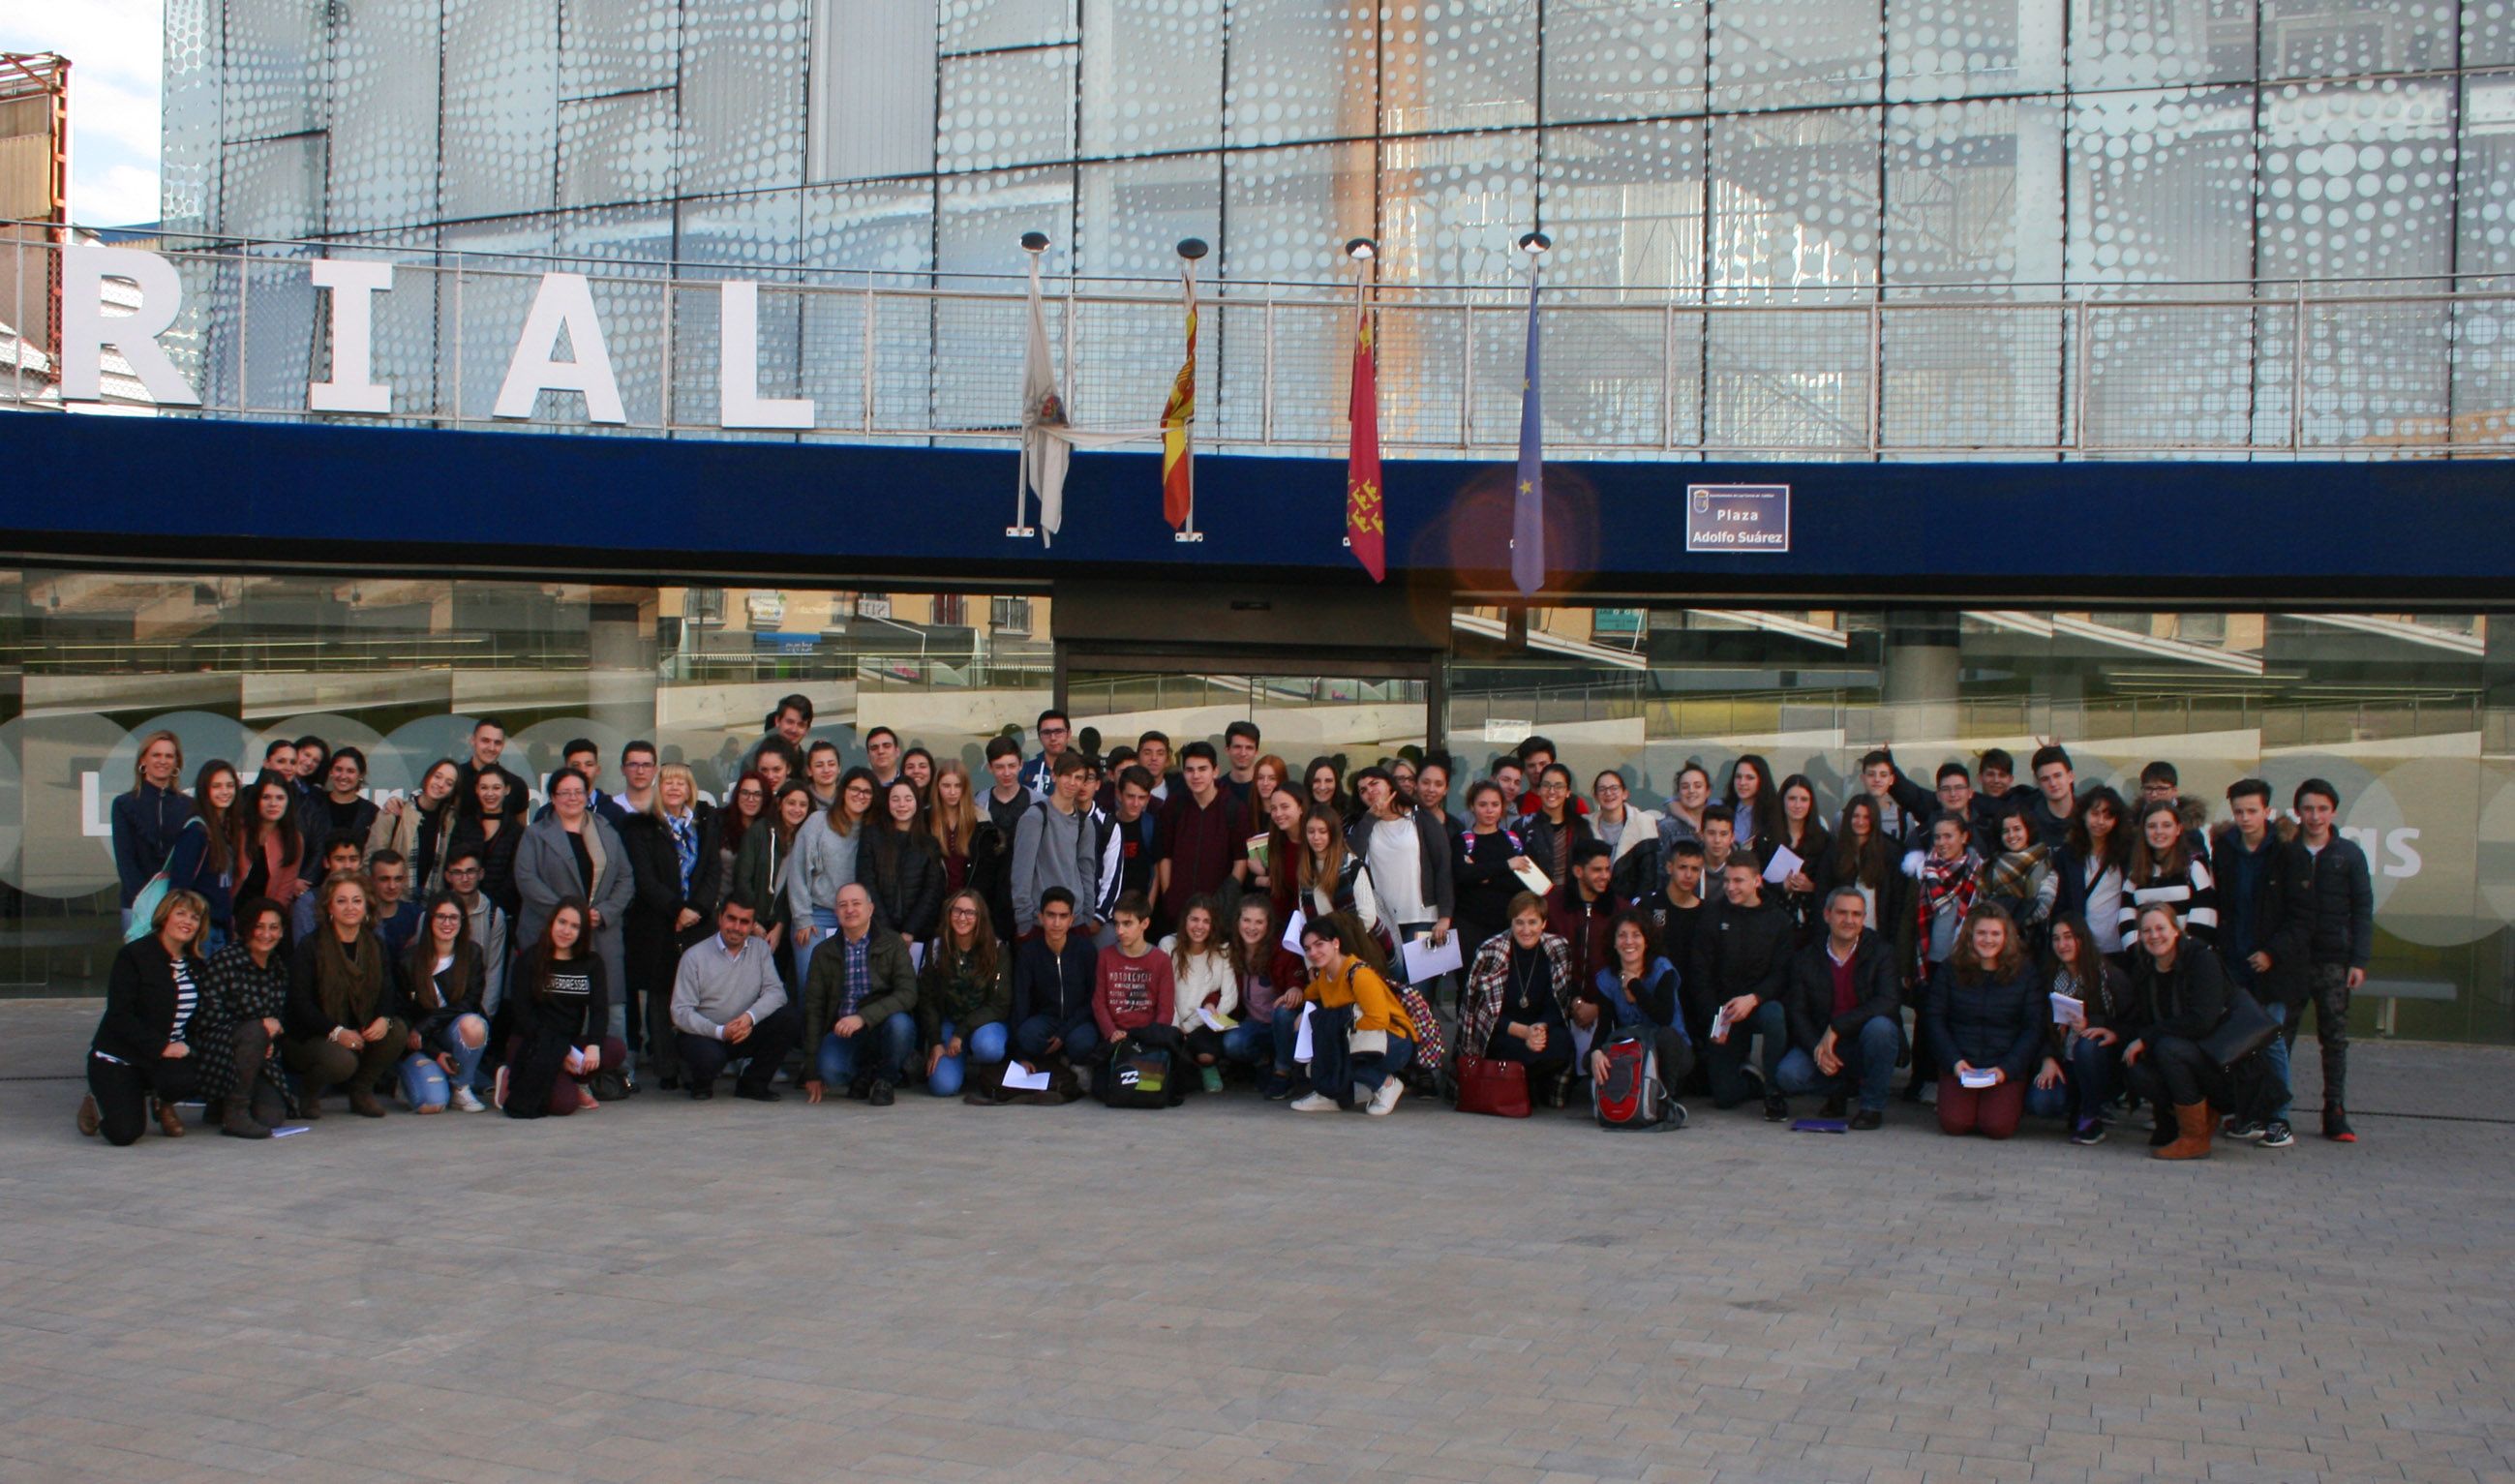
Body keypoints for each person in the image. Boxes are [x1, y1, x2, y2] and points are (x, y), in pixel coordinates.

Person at [2121, 903, 2265, 1160]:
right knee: (2135, 1066)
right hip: (2184, 1058)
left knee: (2168, 1048)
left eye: (2160, 928)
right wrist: (2117, 1034)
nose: (2154, 936)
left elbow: (2202, 1021)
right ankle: (2173, 1121)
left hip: (2221, 1061)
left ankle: (2195, 1137)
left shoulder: (2201, 959)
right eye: (2146, 931)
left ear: (2176, 930)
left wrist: (2147, 1038)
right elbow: (2138, 1019)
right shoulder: (2144, 969)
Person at [77, 890, 219, 1145]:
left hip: (161, 1060)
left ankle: (162, 1101)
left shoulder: (196, 965)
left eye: (195, 917)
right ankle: (97, 1101)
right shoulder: (134, 956)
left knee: (188, 1077)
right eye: (181, 914)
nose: (188, 921)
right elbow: (119, 1016)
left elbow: (201, 1018)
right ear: (165, 916)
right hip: (120, 1057)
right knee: (124, 1134)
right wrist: (163, 1046)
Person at [514, 770, 636, 1059]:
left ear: (587, 795)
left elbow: (625, 879)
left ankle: (612, 1073)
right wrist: (570, 917)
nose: (572, 798)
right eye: (564, 792)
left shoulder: (606, 830)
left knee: (611, 1004)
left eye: (578, 792)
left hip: (601, 931)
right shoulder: (536, 834)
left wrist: (604, 912)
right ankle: (558, 1063)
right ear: (553, 798)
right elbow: (526, 879)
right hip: (552, 933)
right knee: (558, 1002)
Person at [621, 762, 720, 1090]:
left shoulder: (704, 825)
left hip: (698, 924)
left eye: (682, 783)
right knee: (661, 996)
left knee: (696, 996)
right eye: (668, 783)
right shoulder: (641, 827)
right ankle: (666, 1067)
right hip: (658, 922)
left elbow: (712, 873)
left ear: (691, 789)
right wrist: (677, 909)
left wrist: (697, 909)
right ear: (658, 789)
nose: (675, 788)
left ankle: (695, 1065)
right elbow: (644, 878)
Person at [2288, 777, 2373, 1142]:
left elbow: (2363, 909)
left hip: (2333, 962)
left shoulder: (2348, 854)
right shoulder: (2287, 852)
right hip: (2291, 960)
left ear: (2333, 811)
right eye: (2308, 808)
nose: (2315, 816)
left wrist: (2359, 960)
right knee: (2279, 1037)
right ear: (2297, 812)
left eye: (2322, 808)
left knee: (2334, 1039)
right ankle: (2274, 1109)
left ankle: (2334, 1111)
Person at [1773, 888, 1903, 1128]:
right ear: (1827, 915)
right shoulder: (1806, 958)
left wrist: (1837, 1027)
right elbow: (1797, 1011)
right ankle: (1840, 1089)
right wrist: (1816, 1049)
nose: (1849, 920)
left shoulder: (1881, 952)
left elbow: (1889, 1001)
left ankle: (1871, 1107)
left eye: (1856, 914)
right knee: (1788, 1075)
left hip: (1863, 1039)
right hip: (1823, 1040)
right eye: (1842, 913)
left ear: (1864, 919)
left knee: (1882, 1029)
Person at [284, 871, 406, 1119]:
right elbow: (300, 1003)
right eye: (341, 901)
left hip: (357, 1029)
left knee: (397, 1030)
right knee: (342, 1061)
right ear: (329, 906)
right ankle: (309, 1092)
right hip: (312, 1035)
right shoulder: (312, 946)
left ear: (367, 905)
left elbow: (388, 989)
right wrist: (336, 1032)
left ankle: (361, 1092)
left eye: (356, 900)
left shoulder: (374, 944)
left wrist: (383, 1017)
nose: (350, 907)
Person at [1924, 903, 2046, 1139]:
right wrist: (1954, 1062)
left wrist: (2007, 1068)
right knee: (1955, 1123)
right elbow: (1934, 1018)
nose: (1987, 940)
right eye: (1981, 933)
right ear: (1970, 935)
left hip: (2003, 1066)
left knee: (1997, 1127)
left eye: (1995, 934)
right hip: (1962, 1063)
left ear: (2006, 936)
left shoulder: (2025, 972)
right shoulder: (1951, 968)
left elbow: (2033, 1027)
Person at [497, 898, 625, 1117]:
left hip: (568, 1042)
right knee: (563, 1105)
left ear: (582, 932)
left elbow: (599, 1009)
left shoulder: (591, 963)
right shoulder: (530, 959)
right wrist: (558, 1050)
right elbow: (523, 1013)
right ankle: (508, 1076)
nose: (566, 931)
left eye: (574, 926)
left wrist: (593, 1044)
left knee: (614, 1049)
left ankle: (570, 1079)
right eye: (562, 922)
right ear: (551, 923)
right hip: (533, 1042)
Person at [669, 893, 802, 1103]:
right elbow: (681, 1012)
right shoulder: (694, 957)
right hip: (705, 1034)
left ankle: (753, 1084)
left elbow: (776, 992)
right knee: (709, 1058)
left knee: (789, 1018)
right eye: (731, 918)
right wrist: (720, 1031)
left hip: (744, 1030)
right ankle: (701, 1083)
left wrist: (749, 1018)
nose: (737, 927)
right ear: (720, 918)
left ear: (751, 926)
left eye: (744, 922)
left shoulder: (760, 950)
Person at [801, 882, 921, 1105]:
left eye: (856, 903)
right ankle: (865, 1074)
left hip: (883, 1025)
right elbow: (813, 1009)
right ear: (836, 912)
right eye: (843, 905)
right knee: (830, 1071)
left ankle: (885, 1079)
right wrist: (811, 1071)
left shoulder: (892, 943)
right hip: (844, 1033)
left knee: (901, 1026)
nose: (850, 910)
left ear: (870, 909)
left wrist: (863, 1017)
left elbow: (908, 993)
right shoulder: (822, 952)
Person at [1695, 853, 1796, 1116]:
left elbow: (1782, 974)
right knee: (1723, 1097)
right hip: (1724, 1010)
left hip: (1759, 1004)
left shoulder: (1778, 920)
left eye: (1739, 881)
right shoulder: (1712, 914)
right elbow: (1701, 972)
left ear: (1757, 881)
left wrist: (1755, 998)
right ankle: (1752, 1079)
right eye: (1727, 880)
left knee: (1775, 1014)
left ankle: (1774, 1090)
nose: (1731, 887)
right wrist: (1716, 1018)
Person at [1289, 915, 1418, 1115]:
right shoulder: (1325, 975)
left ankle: (1387, 1084)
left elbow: (1379, 1019)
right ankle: (1333, 1094)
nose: (1313, 952)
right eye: (1307, 948)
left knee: (1334, 1049)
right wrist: (1294, 993)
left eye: (1319, 944)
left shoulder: (1359, 975)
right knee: (1320, 1039)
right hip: (1365, 1039)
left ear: (1336, 943)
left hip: (1393, 1042)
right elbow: (1309, 993)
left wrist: (1338, 1031)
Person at [1459, 891, 1577, 1105]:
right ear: (1511, 924)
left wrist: (1539, 1029)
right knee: (1508, 1047)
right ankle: (1513, 1086)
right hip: (1505, 1029)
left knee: (1563, 1043)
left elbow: (1558, 1004)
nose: (1526, 930)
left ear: (1543, 924)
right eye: (1519, 923)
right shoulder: (1490, 951)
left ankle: (1536, 1085)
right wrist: (1524, 1033)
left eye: (1532, 922)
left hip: (1539, 1027)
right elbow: (1483, 1012)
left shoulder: (1558, 948)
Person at [194, 896, 294, 1138]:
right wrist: (257, 1031)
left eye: (273, 927)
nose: (266, 934)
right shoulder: (226, 960)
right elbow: (207, 1015)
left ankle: (220, 1106)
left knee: (272, 1117)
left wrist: (270, 1037)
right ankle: (234, 1113)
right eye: (259, 927)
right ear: (247, 928)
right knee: (254, 1031)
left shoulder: (278, 967)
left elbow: (280, 1018)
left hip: (259, 1055)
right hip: (219, 1050)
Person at [1586, 908, 1696, 1106]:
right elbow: (1604, 1026)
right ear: (1614, 942)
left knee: (1666, 1037)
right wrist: (1595, 1052)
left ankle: (1665, 1100)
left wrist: (1635, 986)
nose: (1629, 942)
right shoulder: (1607, 978)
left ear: (1646, 941)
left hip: (1669, 1051)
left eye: (1636, 935)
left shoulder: (1662, 969)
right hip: (1633, 1052)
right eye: (1622, 935)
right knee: (1591, 1058)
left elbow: (1664, 1017)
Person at [1348, 764, 1454, 968]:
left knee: (1420, 990)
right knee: (1393, 983)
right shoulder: (1364, 825)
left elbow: (1443, 867)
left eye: (1374, 784)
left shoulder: (1421, 818)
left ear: (1389, 784)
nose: (1369, 791)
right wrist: (1371, 816)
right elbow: (1351, 856)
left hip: (1423, 916)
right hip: (1383, 921)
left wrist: (1445, 916)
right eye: (1362, 790)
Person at [394, 891, 491, 1113]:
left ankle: (461, 1086)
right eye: (441, 917)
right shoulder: (409, 959)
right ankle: (410, 1079)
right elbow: (403, 1013)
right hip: (421, 1044)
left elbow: (470, 1003)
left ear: (462, 922)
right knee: (433, 1103)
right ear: (429, 920)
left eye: (453, 917)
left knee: (474, 1025)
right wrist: (435, 1052)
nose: (447, 923)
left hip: (452, 1034)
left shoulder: (472, 953)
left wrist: (427, 1024)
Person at [916, 889, 1012, 1097]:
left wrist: (962, 1032)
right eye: (957, 911)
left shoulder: (997, 950)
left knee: (989, 1048)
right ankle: (955, 1067)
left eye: (970, 913)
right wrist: (935, 1042)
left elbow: (1000, 1004)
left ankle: (988, 1072)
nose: (962, 918)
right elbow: (927, 1000)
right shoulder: (936, 947)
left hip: (985, 1023)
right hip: (950, 1022)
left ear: (980, 918)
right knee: (943, 1087)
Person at [2046, 913, 2133, 1146]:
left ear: (2081, 939)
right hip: (2064, 1055)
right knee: (2043, 1103)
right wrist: (2048, 1055)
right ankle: (2076, 1107)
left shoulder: (2108, 974)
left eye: (2068, 937)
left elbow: (2133, 1018)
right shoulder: (2053, 974)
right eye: (2056, 939)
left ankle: (2091, 1115)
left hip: (2101, 1055)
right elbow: (2040, 1023)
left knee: (2087, 1046)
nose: (2062, 945)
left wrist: (2096, 1024)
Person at [1011, 752, 1112, 942]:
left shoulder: (1085, 823)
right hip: (1039, 921)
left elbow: (1087, 870)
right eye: (1067, 775)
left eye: (1079, 777)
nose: (1072, 782)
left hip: (1076, 920)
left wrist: (1087, 914)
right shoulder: (1035, 817)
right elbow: (1021, 872)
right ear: (1054, 775)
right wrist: (1024, 920)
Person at [789, 767, 874, 982]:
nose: (860, 795)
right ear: (843, 790)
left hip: (859, 918)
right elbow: (798, 870)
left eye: (867, 791)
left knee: (850, 989)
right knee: (812, 985)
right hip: (818, 916)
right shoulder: (819, 822)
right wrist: (802, 918)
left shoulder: (874, 830)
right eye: (855, 788)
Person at [1220, 894, 1309, 1096]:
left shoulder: (1281, 949)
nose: (1252, 927)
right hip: (1253, 1023)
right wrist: (1210, 1003)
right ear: (1237, 922)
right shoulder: (1231, 949)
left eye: (1259, 922)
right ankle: (1262, 1063)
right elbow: (1217, 984)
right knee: (1232, 1043)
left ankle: (1282, 1072)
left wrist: (1295, 989)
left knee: (1285, 1011)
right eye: (1246, 920)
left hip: (1282, 1025)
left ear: (1268, 925)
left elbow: (1297, 976)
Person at [1092, 893, 1180, 1082]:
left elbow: (1165, 1010)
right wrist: (1111, 1032)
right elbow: (1099, 1002)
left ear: (1145, 924)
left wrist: (1149, 1035)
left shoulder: (1161, 960)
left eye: (1127, 923)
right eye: (1116, 924)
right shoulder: (1106, 956)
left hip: (1149, 1038)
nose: (1120, 930)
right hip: (1115, 1037)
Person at [111, 729, 194, 930]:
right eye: (156, 755)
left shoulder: (190, 806)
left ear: (176, 762)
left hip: (179, 906)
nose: (163, 761)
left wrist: (176, 903)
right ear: (143, 760)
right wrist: (147, 903)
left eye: (169, 756)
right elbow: (125, 861)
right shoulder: (124, 804)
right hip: (137, 904)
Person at [1011, 887, 1101, 1067]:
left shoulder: (1085, 950)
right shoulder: (1029, 952)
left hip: (1078, 1021)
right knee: (1027, 1035)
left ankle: (1064, 1057)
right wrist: (1020, 1056)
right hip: (1045, 1019)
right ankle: (1053, 1059)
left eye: (1063, 916)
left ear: (1071, 920)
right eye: (1051, 915)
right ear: (1041, 918)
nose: (1057, 923)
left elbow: (1094, 997)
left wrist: (1064, 1032)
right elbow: (1021, 1001)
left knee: (1082, 1043)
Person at [733, 781, 812, 987]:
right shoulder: (759, 832)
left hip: (783, 924)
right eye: (791, 803)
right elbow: (742, 879)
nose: (796, 809)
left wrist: (779, 927)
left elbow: (794, 889)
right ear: (779, 804)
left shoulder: (806, 838)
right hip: (751, 921)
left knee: (779, 984)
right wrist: (754, 923)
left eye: (802, 805)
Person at [1158, 742, 1242, 931]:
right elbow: (1165, 855)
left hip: (1217, 913)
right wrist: (1169, 896)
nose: (1196, 776)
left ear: (1215, 771)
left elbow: (1241, 860)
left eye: (1202, 769)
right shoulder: (1174, 806)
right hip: (1178, 911)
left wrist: (1226, 901)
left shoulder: (1233, 808)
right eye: (1189, 770)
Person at [160, 759, 240, 952]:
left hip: (220, 927)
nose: (225, 791)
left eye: (230, 785)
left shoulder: (225, 830)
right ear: (205, 790)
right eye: (217, 786)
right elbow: (179, 886)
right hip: (200, 929)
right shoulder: (196, 832)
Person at [1160, 894, 1235, 1092]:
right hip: (1171, 1020)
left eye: (1206, 921)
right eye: (1194, 919)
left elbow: (1230, 998)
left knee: (1206, 1053)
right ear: (1185, 920)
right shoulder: (1168, 945)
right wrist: (1177, 1027)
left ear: (1213, 925)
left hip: (1202, 1023)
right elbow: (1164, 993)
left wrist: (1191, 1025)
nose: (1199, 926)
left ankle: (1207, 1067)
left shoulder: (1223, 951)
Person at [2119, 796, 2218, 947]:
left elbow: (2205, 914)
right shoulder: (2135, 871)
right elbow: (2126, 916)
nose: (2159, 831)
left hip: (2188, 960)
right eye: (2152, 826)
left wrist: (2182, 955)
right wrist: (2138, 952)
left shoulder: (2193, 867)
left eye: (2166, 825)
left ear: (2178, 829)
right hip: (2147, 960)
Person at [859, 776, 945, 943]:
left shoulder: (929, 844)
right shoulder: (871, 835)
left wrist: (910, 930)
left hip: (917, 935)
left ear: (917, 803)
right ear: (888, 803)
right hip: (878, 931)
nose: (902, 805)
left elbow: (932, 891)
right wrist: (886, 930)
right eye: (895, 799)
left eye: (908, 798)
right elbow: (866, 882)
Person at [1451, 780, 1530, 962]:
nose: (1489, 810)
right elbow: (1462, 875)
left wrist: (1485, 876)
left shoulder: (1512, 840)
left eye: (1495, 804)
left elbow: (1522, 881)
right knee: (1469, 980)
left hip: (1507, 922)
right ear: (1472, 806)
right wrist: (1507, 866)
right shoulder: (1463, 841)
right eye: (1482, 804)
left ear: (1502, 807)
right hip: (1469, 924)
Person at [441, 847, 511, 1034]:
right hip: (439, 1006)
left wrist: (484, 1017)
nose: (465, 878)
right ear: (448, 876)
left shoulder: (494, 915)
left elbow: (494, 970)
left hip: (476, 1008)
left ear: (481, 874)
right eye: (457, 872)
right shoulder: (433, 915)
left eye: (470, 871)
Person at [2055, 784, 2131, 955]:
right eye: (2095, 814)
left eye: (2108, 815)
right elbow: (2061, 903)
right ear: (2083, 815)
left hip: (2120, 947)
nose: (2101, 822)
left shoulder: (2127, 854)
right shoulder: (2067, 856)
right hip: (2081, 948)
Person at [369, 756, 461, 895]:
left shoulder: (450, 822)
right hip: (395, 901)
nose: (441, 784)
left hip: (430, 904)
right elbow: (371, 861)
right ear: (428, 776)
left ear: (453, 790)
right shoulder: (394, 812)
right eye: (438, 776)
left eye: (449, 783)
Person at [1294, 803, 1379, 939]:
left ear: (1333, 833)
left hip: (1353, 945)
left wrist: (1333, 940)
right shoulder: (1305, 871)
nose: (1316, 837)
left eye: (1322, 831)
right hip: (1321, 950)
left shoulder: (1352, 865)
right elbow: (1306, 920)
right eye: (1311, 831)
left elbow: (1367, 919)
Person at [447, 768, 525, 919]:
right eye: (484, 787)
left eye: (496, 788)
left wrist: (491, 908)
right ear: (476, 789)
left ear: (506, 790)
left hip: (502, 914)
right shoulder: (464, 826)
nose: (490, 794)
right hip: (462, 911)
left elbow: (515, 877)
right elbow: (453, 866)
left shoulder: (517, 831)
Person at [1545, 839, 1620, 988]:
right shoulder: (1550, 906)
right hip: (1556, 999)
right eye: (1597, 870)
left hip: (1603, 1003)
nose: (1605, 876)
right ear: (1578, 871)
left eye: (1607, 869)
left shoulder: (1621, 911)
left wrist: (1601, 1007)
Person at [976, 737, 1031, 939]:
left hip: (1027, 895)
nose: (1006, 773)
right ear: (989, 768)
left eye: (1011, 766)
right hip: (989, 896)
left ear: (1021, 764)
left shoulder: (1038, 803)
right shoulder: (978, 803)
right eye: (999, 767)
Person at [1769, 773, 1832, 942]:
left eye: (1804, 799)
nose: (1797, 805)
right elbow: (1756, 880)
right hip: (1774, 924)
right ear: (1782, 800)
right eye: (1792, 798)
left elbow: (1833, 882)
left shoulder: (1824, 840)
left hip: (1812, 926)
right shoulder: (1766, 838)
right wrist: (1783, 886)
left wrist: (1812, 887)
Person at [234, 772, 308, 917]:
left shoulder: (294, 839)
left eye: (280, 798)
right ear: (256, 800)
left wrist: (267, 923)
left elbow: (284, 892)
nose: (273, 804)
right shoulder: (238, 830)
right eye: (266, 797)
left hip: (266, 920)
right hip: (229, 914)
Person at [1982, 809, 2057, 945]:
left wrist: (2013, 927)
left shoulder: (2044, 864)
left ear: (2028, 830)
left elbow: (2043, 908)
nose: (2011, 835)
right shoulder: (1990, 865)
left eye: (2017, 829)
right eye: (2006, 831)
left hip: (2029, 942)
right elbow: (1980, 902)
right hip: (1991, 940)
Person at [309, 748, 381, 879]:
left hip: (354, 886)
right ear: (331, 771)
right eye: (338, 769)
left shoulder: (372, 813)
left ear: (361, 775)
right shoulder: (313, 805)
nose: (343, 776)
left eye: (350, 771)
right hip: (313, 885)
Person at [1521, 764, 1594, 887]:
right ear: (1539, 790)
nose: (1552, 791)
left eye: (1558, 786)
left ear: (1568, 792)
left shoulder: (1581, 827)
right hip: (1534, 899)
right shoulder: (1524, 826)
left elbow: (1588, 866)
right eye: (1546, 785)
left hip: (1571, 899)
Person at [289, 833, 367, 943]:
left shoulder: (368, 898)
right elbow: (303, 950)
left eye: (353, 859)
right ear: (326, 862)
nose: (347, 866)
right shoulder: (308, 902)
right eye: (340, 859)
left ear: (361, 863)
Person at [452, 717, 532, 824]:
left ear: (503, 745)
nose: (491, 748)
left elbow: (521, 834)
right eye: (485, 741)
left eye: (497, 742)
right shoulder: (454, 778)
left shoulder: (517, 785)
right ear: (472, 740)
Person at [1246, 784, 1307, 922]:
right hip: (1283, 925)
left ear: (1301, 807)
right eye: (1274, 809)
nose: (1278, 814)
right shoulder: (1274, 844)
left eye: (1285, 807)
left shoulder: (1314, 842)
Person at [1857, 748, 1936, 851]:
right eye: (1871, 774)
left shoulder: (1904, 819)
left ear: (1891, 780)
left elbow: (1910, 856)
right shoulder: (1845, 817)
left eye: (1883, 775)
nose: (1877, 779)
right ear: (1862, 778)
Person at [927, 759, 984, 897]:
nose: (952, 792)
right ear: (937, 787)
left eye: (958, 785)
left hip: (969, 905)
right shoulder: (925, 820)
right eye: (946, 786)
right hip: (934, 903)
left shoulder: (980, 820)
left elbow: (985, 871)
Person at [1106, 766, 1162, 900]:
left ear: (1148, 798)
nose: (1136, 803)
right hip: (1109, 907)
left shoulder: (1152, 826)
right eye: (1130, 796)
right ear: (1119, 794)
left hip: (1141, 906)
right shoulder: (1106, 825)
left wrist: (1149, 906)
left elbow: (1157, 870)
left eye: (1141, 797)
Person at [1723, 754, 1786, 854]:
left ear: (1761, 780)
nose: (1742, 782)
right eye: (1738, 777)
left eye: (1750, 777)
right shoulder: (1721, 809)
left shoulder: (1774, 815)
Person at [740, 693, 815, 775]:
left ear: (807, 729)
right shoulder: (753, 762)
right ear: (778, 721)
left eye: (801, 725)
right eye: (790, 722)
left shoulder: (811, 764)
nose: (794, 730)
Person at [367, 850, 422, 960]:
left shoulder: (418, 917)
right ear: (371, 880)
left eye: (398, 879)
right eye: (384, 879)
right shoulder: (360, 918)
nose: (392, 886)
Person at [2024, 743, 2080, 851]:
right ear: (2037, 783)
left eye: (2057, 775)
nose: (2053, 783)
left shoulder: (2088, 816)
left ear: (2070, 776)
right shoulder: (2029, 823)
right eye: (2045, 779)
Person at [1654, 761, 1712, 853]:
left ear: (1708, 791)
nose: (1691, 790)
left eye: (1698, 786)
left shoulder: (1715, 821)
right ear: (1678, 793)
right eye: (1685, 787)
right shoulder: (1667, 827)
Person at [1017, 708, 1074, 800]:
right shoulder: (1025, 770)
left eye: (1058, 731)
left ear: (1069, 734)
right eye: (1046, 732)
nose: (1053, 738)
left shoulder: (1080, 770)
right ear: (1039, 737)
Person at [1221, 720, 1262, 805]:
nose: (1243, 753)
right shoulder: (1217, 790)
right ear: (1227, 750)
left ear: (1256, 752)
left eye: (1249, 748)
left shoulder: (1266, 788)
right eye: (1237, 747)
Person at [1303, 756, 1350, 821]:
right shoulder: (1301, 812)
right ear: (1308, 782)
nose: (1322, 787)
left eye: (1328, 781)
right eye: (1316, 781)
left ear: (1336, 783)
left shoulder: (1350, 812)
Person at [864, 725, 903, 790]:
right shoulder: (861, 789)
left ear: (897, 752)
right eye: (874, 748)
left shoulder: (910, 786)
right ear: (868, 756)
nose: (881, 751)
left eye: (887, 746)